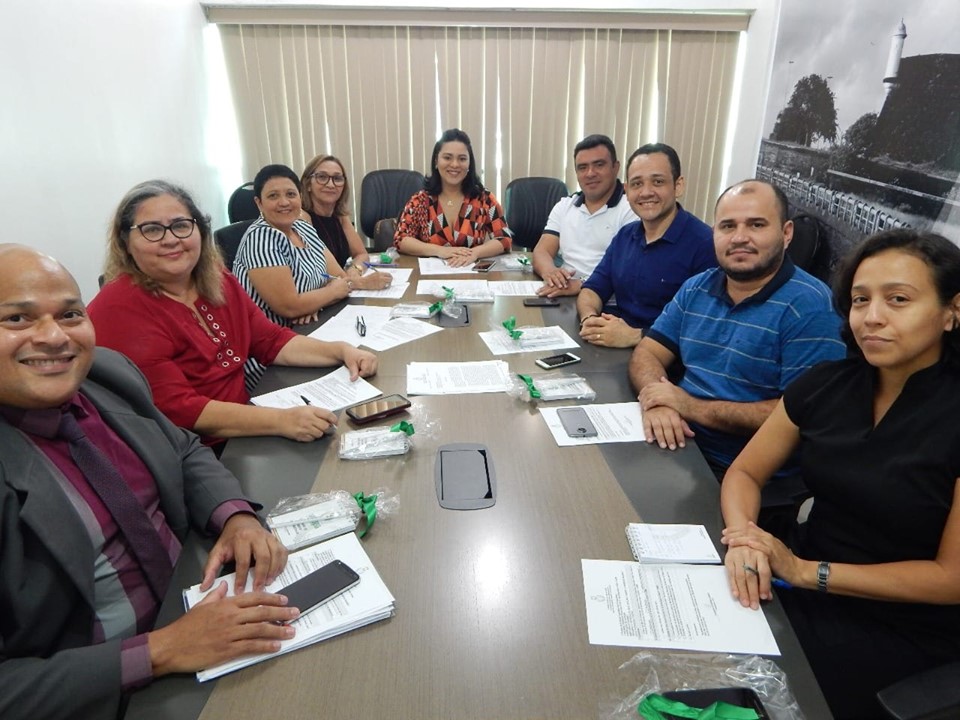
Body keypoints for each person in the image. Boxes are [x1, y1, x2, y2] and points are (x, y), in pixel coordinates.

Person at [0, 244, 296, 720]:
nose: (54, 336)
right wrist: (161, 650)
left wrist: (236, 517)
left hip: (202, 603)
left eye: (70, 313)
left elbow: (181, 447)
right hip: (112, 688)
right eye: (17, 319)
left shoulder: (107, 374)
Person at [720, 229, 960, 719]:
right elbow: (745, 471)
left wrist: (808, 573)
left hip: (899, 625)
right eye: (860, 299)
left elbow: (950, 578)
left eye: (898, 300)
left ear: (952, 310)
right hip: (799, 573)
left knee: (738, 693)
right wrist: (745, 537)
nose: (872, 317)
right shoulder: (828, 383)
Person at [88, 180, 378, 446]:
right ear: (126, 241)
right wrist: (281, 420)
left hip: (246, 424)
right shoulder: (119, 309)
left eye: (181, 225)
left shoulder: (215, 278)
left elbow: (270, 340)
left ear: (199, 231)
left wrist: (341, 351)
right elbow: (181, 410)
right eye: (151, 229)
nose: (170, 239)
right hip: (195, 451)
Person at [628, 179, 845, 480]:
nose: (739, 238)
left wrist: (689, 406)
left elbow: (799, 415)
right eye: (727, 226)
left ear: (786, 234)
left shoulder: (811, 307)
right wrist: (657, 401)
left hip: (742, 474)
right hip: (677, 444)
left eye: (756, 225)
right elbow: (648, 352)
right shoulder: (697, 287)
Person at [576, 143, 716, 347]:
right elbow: (593, 288)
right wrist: (589, 319)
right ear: (626, 190)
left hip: (666, 363)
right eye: (637, 184)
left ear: (678, 186)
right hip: (613, 349)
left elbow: (703, 328)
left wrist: (635, 336)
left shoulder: (704, 245)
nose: (646, 192)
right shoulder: (625, 236)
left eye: (658, 182)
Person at [233, 164, 391, 329]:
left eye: (291, 194)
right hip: (272, 339)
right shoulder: (261, 240)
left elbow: (339, 278)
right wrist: (325, 295)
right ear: (259, 203)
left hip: (311, 324)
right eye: (273, 196)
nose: (284, 202)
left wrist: (314, 303)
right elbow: (290, 307)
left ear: (300, 197)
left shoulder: (303, 227)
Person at [532, 134, 637, 297]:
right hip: (565, 294)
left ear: (615, 168)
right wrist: (551, 273)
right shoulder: (564, 206)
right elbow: (542, 251)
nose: (590, 173)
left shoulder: (632, 208)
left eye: (599, 165)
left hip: (608, 302)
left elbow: (629, 270)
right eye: (582, 167)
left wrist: (583, 284)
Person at [394, 128, 511, 267]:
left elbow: (504, 239)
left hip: (470, 277)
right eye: (447, 157)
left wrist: (476, 253)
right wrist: (440, 251)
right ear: (436, 161)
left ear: (469, 164)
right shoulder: (420, 200)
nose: (455, 164)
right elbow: (401, 239)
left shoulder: (484, 199)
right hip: (429, 279)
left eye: (462, 159)